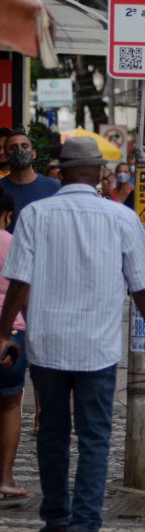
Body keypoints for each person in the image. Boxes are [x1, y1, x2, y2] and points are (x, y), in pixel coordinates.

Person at [0, 137, 145, 532]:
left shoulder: (35, 214)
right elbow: (141, 285)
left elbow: (19, 282)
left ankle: (55, 521)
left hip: (48, 346)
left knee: (53, 433)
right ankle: (86, 528)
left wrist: (2, 332)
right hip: (97, 348)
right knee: (94, 436)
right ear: (98, 175)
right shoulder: (120, 217)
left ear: (61, 171)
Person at [0, 191, 27, 509]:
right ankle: (4, 478)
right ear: (8, 215)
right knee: (9, 406)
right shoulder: (15, 243)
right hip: (12, 335)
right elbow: (25, 291)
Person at [0, 130, 60, 231]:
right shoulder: (0, 188)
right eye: (13, 148)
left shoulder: (54, 186)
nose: (19, 150)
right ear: (6, 154)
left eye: (24, 146)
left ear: (33, 154)